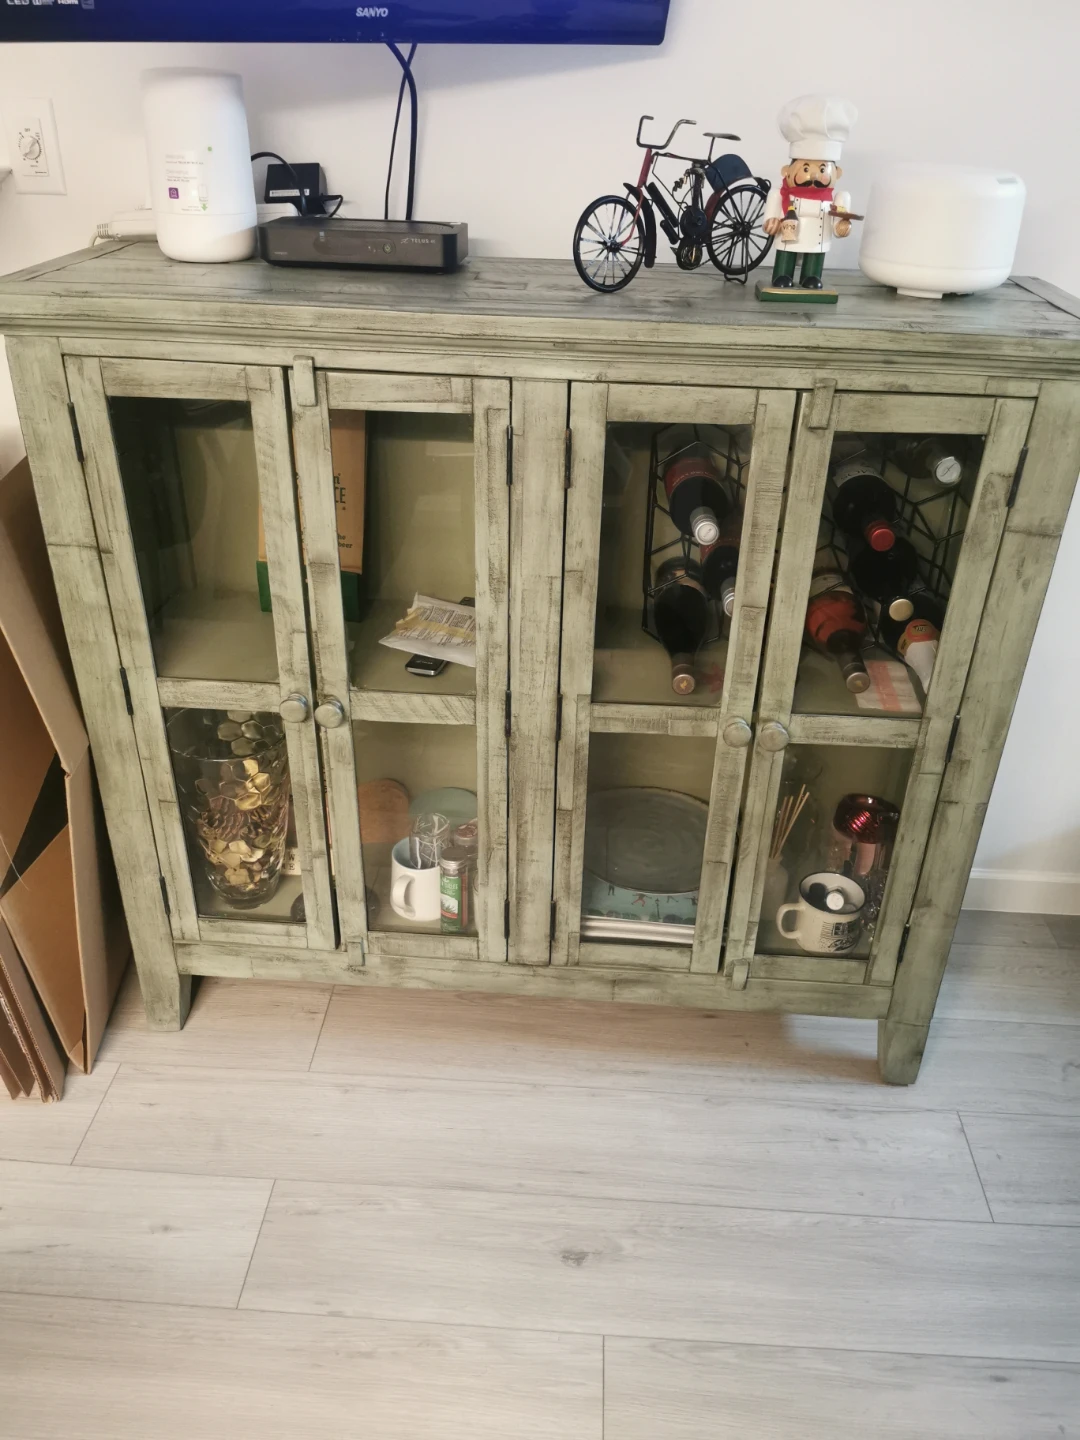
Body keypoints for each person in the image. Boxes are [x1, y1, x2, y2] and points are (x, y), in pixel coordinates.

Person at [759, 95, 859, 296]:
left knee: (815, 255)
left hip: (818, 237)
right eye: (806, 167)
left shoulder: (836, 198)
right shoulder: (780, 195)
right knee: (786, 252)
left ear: (837, 174)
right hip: (789, 235)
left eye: (823, 168)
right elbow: (771, 216)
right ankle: (783, 275)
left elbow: (839, 222)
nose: (814, 175)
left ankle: (811, 276)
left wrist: (841, 226)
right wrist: (772, 221)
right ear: (786, 171)